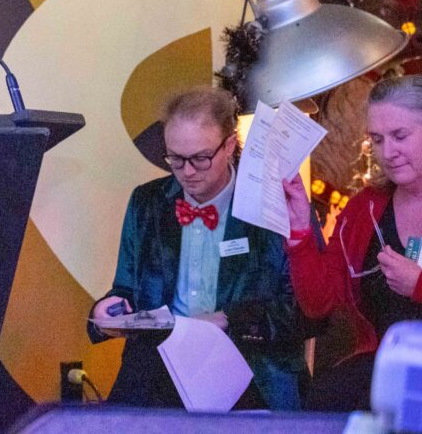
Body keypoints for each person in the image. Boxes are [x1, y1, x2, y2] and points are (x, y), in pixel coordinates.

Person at [88, 86, 306, 409]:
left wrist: (228, 318)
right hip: (161, 369)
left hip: (249, 369)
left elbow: (306, 312)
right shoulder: (147, 202)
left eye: (200, 158)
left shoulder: (271, 204)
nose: (187, 172)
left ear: (229, 145)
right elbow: (127, 290)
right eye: (175, 159)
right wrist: (107, 310)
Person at [284, 74, 422, 411]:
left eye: (400, 136)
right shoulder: (364, 208)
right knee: (324, 402)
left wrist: (417, 285)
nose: (388, 152)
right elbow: (319, 304)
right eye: (377, 139)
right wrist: (300, 230)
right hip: (382, 369)